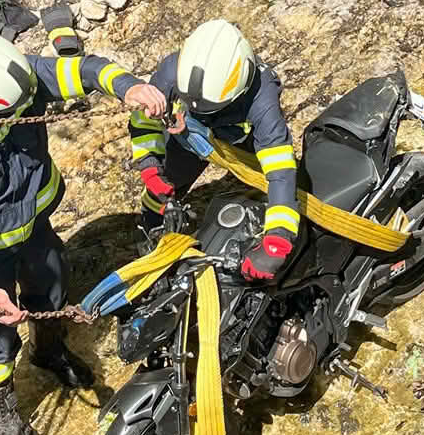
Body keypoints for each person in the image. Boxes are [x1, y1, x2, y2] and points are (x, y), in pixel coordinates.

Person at [0, 30, 166, 435]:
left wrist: (128, 87)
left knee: (52, 291)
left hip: (34, 228)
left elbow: (85, 70)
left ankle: (47, 351)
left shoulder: (19, 79)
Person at [127, 19, 301, 281]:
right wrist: (150, 164)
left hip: (242, 143)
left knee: (272, 193)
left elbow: (280, 171)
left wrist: (278, 239)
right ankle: (151, 228)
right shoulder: (173, 71)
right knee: (162, 189)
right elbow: (143, 120)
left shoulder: (262, 99)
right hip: (190, 137)